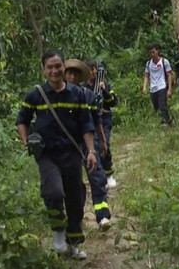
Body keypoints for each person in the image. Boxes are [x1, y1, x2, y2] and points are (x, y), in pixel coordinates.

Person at [15, 50, 98, 260]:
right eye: (50, 67)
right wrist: (26, 141)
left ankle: (75, 242)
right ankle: (58, 232)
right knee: (53, 193)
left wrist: (91, 151)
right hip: (47, 155)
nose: (54, 71)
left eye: (58, 66)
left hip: (71, 154)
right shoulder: (35, 94)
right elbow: (22, 120)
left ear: (64, 66)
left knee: (75, 198)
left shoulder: (78, 94)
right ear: (44, 70)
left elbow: (87, 125)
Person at [63, 58, 113, 232]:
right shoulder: (57, 97)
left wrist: (103, 142)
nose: (72, 76)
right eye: (69, 72)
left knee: (97, 178)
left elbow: (97, 120)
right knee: (74, 185)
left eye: (75, 73)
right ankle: (76, 218)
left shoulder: (87, 95)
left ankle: (102, 215)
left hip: (89, 142)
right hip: (69, 146)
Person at [83, 59, 119, 188]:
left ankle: (109, 174)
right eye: (90, 69)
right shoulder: (82, 88)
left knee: (105, 145)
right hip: (90, 121)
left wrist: (104, 91)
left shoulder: (104, 84)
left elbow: (113, 103)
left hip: (104, 119)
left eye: (94, 69)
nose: (92, 72)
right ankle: (99, 176)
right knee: (94, 148)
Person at [142, 43, 173, 125]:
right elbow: (146, 75)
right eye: (150, 53)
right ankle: (167, 119)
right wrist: (144, 87)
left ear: (158, 51)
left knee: (162, 105)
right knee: (157, 107)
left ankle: (165, 122)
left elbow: (169, 75)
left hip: (162, 86)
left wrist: (169, 89)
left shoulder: (164, 61)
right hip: (153, 88)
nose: (152, 54)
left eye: (153, 52)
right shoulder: (148, 64)